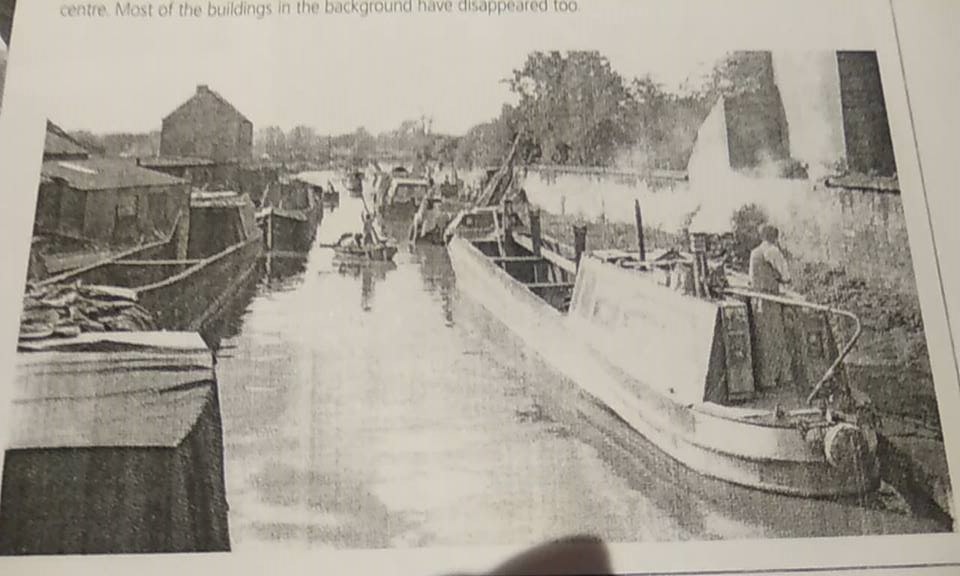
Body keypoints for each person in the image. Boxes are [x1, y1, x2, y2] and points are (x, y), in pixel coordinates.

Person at [749, 224, 791, 295]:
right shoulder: (773, 251)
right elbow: (786, 277)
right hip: (770, 296)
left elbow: (751, 277)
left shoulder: (754, 252)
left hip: (755, 294)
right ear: (774, 237)